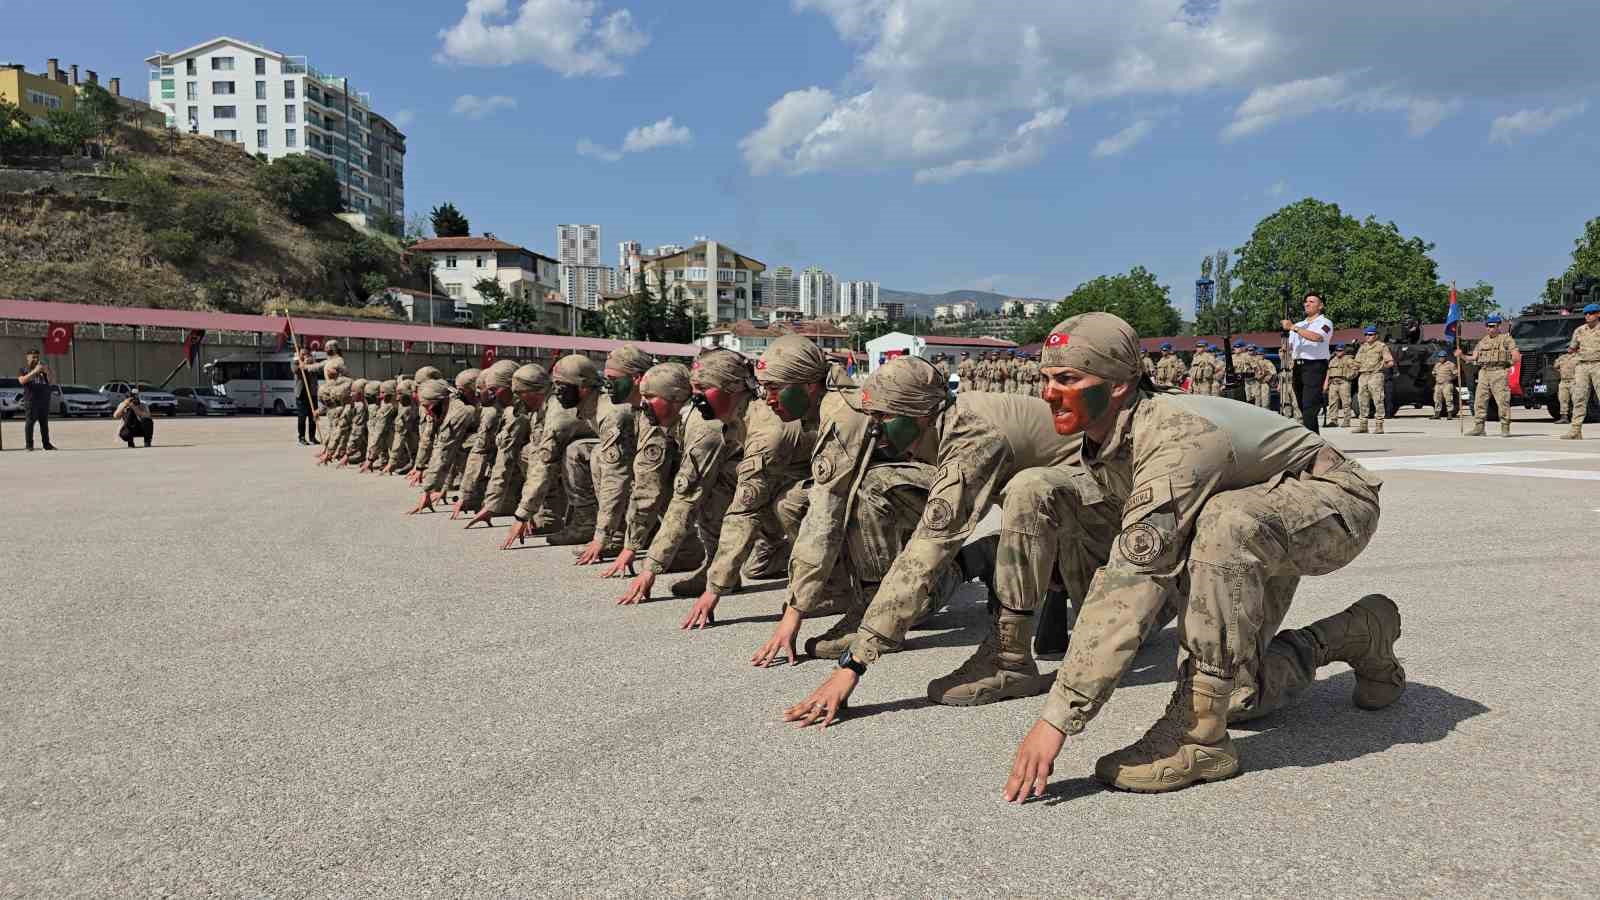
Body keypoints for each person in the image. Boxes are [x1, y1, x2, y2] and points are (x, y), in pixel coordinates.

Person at [1000, 312, 1402, 799]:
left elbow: (1136, 573)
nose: (1048, 393)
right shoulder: (1107, 435)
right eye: (1045, 379)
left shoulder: (1178, 440)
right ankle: (1358, 634)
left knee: (1224, 525)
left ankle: (1200, 738)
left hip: (1332, 501)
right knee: (1239, 693)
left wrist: (1058, 718)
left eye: (1068, 379)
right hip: (1257, 511)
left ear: (1120, 385)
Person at [778, 355, 1081, 724]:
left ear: (921, 413)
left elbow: (930, 547)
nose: (874, 430)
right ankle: (1005, 559)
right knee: (878, 486)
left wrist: (854, 662)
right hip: (1056, 505)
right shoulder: (941, 420)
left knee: (1025, 491)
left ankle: (1011, 660)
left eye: (883, 418)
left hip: (1094, 523)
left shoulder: (976, 437)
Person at [681, 335, 836, 628]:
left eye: (703, 388)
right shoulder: (737, 418)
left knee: (790, 502)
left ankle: (835, 587)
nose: (696, 396)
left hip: (827, 492)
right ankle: (779, 553)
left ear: (732, 389)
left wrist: (714, 590)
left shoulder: (767, 430)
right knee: (755, 565)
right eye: (693, 389)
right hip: (790, 478)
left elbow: (745, 508)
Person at [613, 349, 756, 605]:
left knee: (707, 489)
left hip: (771, 489)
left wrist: (650, 568)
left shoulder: (703, 428)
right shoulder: (679, 421)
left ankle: (731, 566)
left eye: (650, 397)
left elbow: (686, 498)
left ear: (676, 399)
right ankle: (717, 567)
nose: (643, 404)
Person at [547, 347, 654, 548]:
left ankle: (621, 531)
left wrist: (603, 534)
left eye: (613, 378)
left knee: (600, 457)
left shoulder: (612, 413)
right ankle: (587, 522)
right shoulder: (597, 407)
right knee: (580, 451)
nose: (608, 384)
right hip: (640, 459)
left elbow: (616, 474)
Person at [494, 355, 602, 543]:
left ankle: (585, 524)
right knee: (528, 452)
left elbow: (544, 464)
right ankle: (549, 514)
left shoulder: (557, 416)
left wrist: (522, 515)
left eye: (520, 393)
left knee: (573, 452)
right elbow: (537, 454)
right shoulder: (542, 409)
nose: (517, 399)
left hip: (601, 454)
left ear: (535, 392)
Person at [473, 363, 552, 527]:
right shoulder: (516, 409)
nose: (492, 395)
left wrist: (524, 514)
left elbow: (510, 457)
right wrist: (491, 504)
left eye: (495, 390)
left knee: (531, 454)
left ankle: (547, 513)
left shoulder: (520, 414)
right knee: (526, 453)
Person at [409, 369, 481, 514]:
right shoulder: (436, 408)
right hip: (464, 451)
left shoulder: (458, 412)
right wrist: (420, 467)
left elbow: (444, 452)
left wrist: (427, 491)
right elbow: (427, 439)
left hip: (489, 453)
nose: (428, 412)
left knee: (467, 444)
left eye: (429, 408)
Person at [453, 361, 520, 517]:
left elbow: (486, 451)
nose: (478, 393)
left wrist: (471, 496)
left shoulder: (495, 412)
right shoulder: (492, 408)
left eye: (480, 388)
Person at [1459, 314, 1519, 437]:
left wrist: (1507, 365)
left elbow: (1516, 356)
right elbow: (1473, 358)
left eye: (1492, 326)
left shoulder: (1506, 340)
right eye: (1487, 326)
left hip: (1499, 372)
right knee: (1479, 401)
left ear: (1498, 326)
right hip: (1484, 372)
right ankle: (1479, 427)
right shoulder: (1482, 341)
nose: (1489, 329)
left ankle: (1505, 427)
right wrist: (1462, 356)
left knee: (1502, 401)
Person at [1284, 293, 1333, 432]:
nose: (1307, 304)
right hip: (1298, 367)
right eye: (1306, 301)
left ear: (1320, 306)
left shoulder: (1325, 323)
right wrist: (1284, 348)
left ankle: (1312, 440)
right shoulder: (1300, 324)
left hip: (1314, 366)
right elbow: (1290, 346)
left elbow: (1318, 337)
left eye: (1311, 301)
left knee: (1309, 405)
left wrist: (1294, 328)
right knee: (1302, 406)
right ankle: (1314, 437)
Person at [1561, 302, 1600, 439]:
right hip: (1582, 366)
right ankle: (1575, 430)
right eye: (1586, 314)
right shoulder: (1579, 330)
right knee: (1579, 398)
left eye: (1591, 313)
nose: (1587, 316)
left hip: (1598, 365)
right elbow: (1571, 349)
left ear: (1598, 314)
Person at [1352, 327, 1395, 434]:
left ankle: (1379, 425)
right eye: (1366, 335)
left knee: (1378, 400)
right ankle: (1363, 425)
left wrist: (1381, 368)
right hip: (1363, 376)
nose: (1368, 337)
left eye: (1370, 335)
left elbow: (1390, 362)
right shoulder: (1362, 347)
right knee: (1362, 400)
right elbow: (1357, 362)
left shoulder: (1381, 346)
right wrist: (1351, 364)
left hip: (1375, 375)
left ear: (1376, 335)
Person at [18, 348, 56, 451]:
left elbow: (50, 381)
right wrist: (34, 371)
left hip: (43, 400)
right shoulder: (23, 369)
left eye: (37, 357)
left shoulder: (42, 370)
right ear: (27, 357)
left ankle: (46, 444)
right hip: (31, 400)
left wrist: (47, 371)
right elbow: (22, 381)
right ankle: (29, 445)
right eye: (33, 357)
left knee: (44, 423)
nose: (36, 359)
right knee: (30, 423)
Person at [292, 348, 322, 446]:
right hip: (301, 394)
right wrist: (303, 364)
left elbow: (317, 370)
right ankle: (301, 437)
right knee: (302, 417)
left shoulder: (312, 362)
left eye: (306, 353)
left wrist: (310, 364)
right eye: (303, 353)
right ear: (299, 354)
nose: (305, 355)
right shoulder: (295, 362)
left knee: (313, 416)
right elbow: (295, 371)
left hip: (312, 393)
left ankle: (312, 437)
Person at [1324, 343, 1355, 428]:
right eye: (1337, 350)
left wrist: (1349, 376)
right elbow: (1328, 372)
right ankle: (1333, 420)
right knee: (1332, 403)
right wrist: (1326, 384)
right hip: (1333, 383)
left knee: (1346, 402)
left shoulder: (1348, 359)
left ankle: (1346, 420)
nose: (1338, 352)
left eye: (1340, 350)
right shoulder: (1333, 360)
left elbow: (1355, 369)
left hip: (1343, 382)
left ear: (1344, 351)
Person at [1431, 352, 1459, 420]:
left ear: (1445, 357)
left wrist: (1450, 378)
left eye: (1443, 357)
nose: (1441, 358)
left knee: (1448, 399)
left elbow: (1456, 374)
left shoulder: (1450, 364)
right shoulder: (1437, 365)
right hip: (1438, 384)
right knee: (1437, 400)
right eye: (1440, 357)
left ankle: (1450, 414)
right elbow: (1434, 373)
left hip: (1447, 384)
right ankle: (1437, 414)